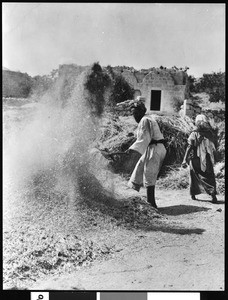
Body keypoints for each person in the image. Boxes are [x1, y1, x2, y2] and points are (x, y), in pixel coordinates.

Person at [125, 101, 167, 208]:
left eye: (136, 113)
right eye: (133, 113)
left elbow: (144, 139)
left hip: (155, 148)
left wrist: (131, 150)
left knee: (149, 173)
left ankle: (151, 204)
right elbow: (142, 138)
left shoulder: (145, 120)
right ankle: (148, 200)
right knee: (140, 166)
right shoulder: (146, 120)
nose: (135, 116)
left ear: (142, 112)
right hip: (153, 147)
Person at [181, 114, 218, 203]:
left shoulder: (194, 133)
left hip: (196, 158)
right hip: (207, 158)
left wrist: (185, 159)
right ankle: (213, 195)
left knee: (194, 175)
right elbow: (214, 147)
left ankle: (193, 194)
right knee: (209, 175)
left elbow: (189, 146)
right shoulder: (210, 133)